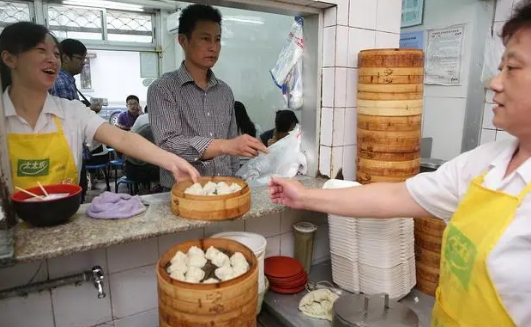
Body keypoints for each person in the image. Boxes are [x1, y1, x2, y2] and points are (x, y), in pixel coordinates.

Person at [269, 2, 531, 326]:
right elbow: (396, 197)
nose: (495, 82)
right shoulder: (488, 162)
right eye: (500, 67)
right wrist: (305, 196)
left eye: (513, 68)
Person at [0, 22, 199, 192]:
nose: (52, 59)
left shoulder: (72, 112)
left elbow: (122, 138)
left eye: (56, 53)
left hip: (63, 223)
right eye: (41, 50)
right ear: (10, 58)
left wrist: (172, 161)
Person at [148, 4, 267, 189]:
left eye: (217, 40)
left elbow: (231, 147)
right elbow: (168, 144)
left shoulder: (224, 91)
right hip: (183, 191)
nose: (213, 47)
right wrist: (224, 146)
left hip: (223, 187)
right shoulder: (163, 88)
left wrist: (235, 181)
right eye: (205, 39)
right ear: (183, 41)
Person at [49, 38, 100, 113]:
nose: (83, 63)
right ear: (65, 58)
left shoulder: (65, 80)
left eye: (84, 59)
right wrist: (90, 110)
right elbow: (68, 117)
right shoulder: (62, 82)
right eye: (80, 58)